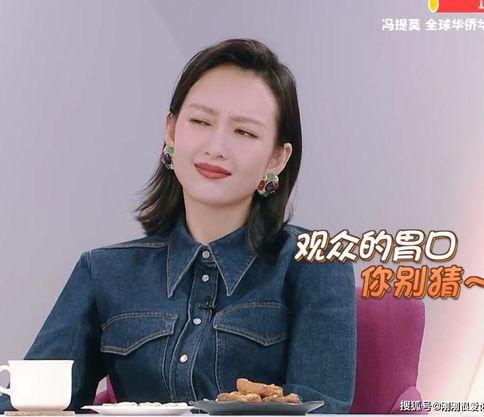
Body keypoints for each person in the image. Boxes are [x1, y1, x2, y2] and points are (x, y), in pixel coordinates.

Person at [0, 38, 356, 414]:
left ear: (277, 158)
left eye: (244, 132)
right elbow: (25, 403)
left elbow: (320, 411)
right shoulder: (103, 271)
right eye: (200, 122)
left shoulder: (316, 264)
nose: (216, 147)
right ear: (171, 132)